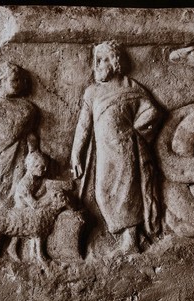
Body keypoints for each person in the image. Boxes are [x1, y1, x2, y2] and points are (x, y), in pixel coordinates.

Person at [71, 41, 162, 255]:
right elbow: (83, 125)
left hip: (126, 148)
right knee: (103, 192)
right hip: (104, 152)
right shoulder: (92, 92)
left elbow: (153, 111)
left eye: (103, 60)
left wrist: (136, 131)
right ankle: (131, 237)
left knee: (126, 192)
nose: (98, 65)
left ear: (115, 62)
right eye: (96, 61)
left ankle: (130, 241)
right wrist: (76, 154)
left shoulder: (130, 86)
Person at [0, 62, 39, 209]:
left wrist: (33, 147)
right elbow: (6, 133)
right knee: (3, 187)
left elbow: (31, 133)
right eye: (14, 80)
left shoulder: (24, 105)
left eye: (20, 80)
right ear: (1, 82)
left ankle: (17, 219)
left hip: (22, 153)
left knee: (21, 187)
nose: (20, 83)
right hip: (4, 156)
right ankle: (1, 218)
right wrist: (26, 118)